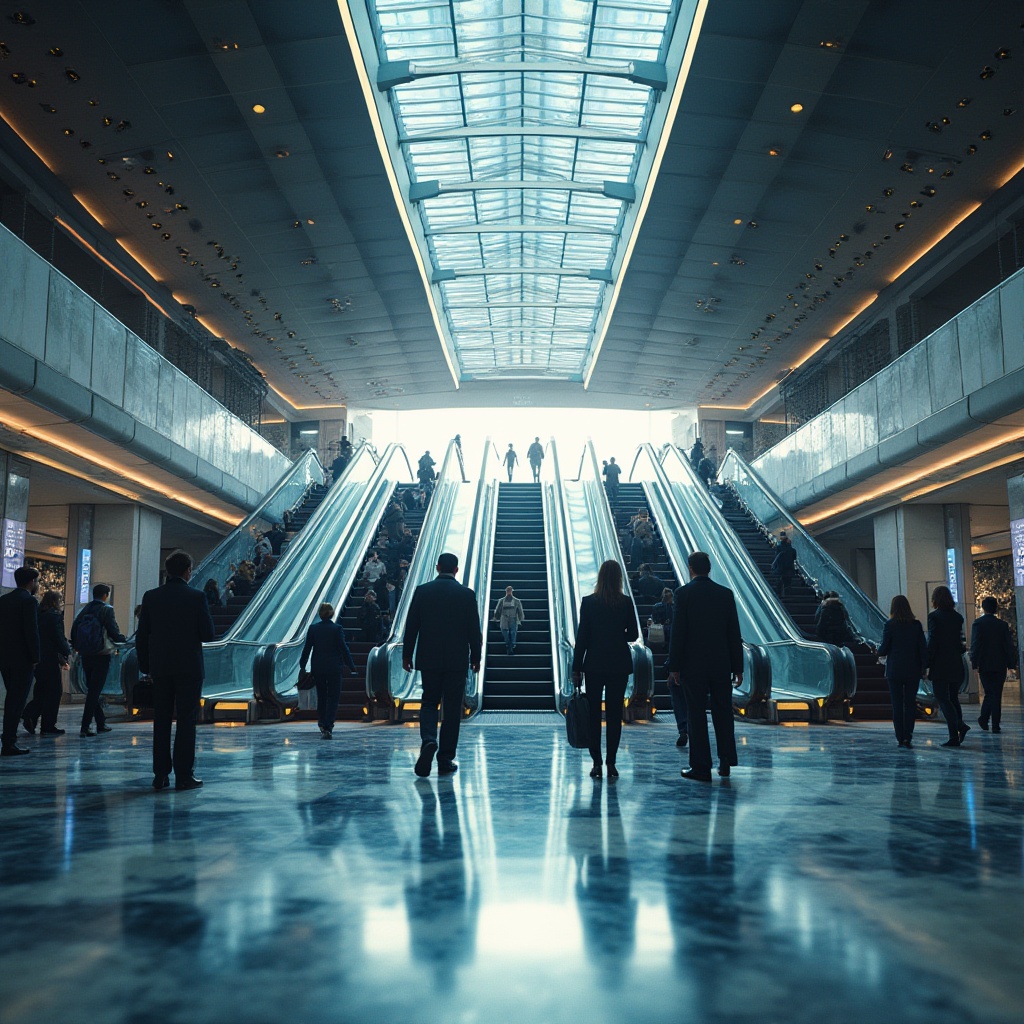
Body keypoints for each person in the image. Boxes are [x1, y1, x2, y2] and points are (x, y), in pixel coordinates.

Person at [136, 550, 215, 791]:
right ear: (188, 570)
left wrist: (145, 666)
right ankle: (184, 775)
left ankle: (160, 775)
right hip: (189, 668)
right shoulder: (196, 597)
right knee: (186, 721)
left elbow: (142, 636)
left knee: (161, 720)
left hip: (160, 668)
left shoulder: (151, 597)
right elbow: (208, 634)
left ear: (168, 570)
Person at [403, 552, 482, 778]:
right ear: (456, 570)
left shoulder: (422, 591)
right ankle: (445, 758)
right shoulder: (466, 595)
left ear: (437, 567)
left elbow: (412, 626)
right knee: (452, 709)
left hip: (429, 659)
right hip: (457, 661)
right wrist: (475, 657)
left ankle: (429, 740)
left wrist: (407, 655)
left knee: (429, 702)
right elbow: (473, 631)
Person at [668, 551, 743, 782]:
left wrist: (675, 666)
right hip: (721, 664)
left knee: (696, 714)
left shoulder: (683, 594)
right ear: (709, 568)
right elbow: (734, 633)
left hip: (694, 665)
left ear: (691, 568)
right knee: (723, 712)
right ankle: (726, 762)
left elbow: (678, 633)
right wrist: (738, 667)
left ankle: (701, 767)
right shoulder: (725, 594)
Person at [572, 560, 640, 780]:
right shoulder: (625, 602)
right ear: (619, 578)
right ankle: (611, 763)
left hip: (594, 664)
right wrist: (616, 634)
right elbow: (633, 635)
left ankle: (596, 763)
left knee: (593, 715)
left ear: (600, 577)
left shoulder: (589, 602)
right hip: (618, 664)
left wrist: (576, 668)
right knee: (614, 714)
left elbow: (581, 638)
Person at [71, 583, 126, 737]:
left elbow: (74, 629)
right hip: (101, 654)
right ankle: (85, 726)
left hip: (86, 654)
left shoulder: (84, 609)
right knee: (94, 692)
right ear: (105, 595)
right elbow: (113, 631)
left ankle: (100, 723)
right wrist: (122, 639)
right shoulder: (106, 609)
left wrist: (78, 647)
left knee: (91, 689)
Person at [299, 603, 357, 739]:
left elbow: (307, 649)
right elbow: (344, 649)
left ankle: (321, 721)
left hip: (318, 668)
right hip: (334, 668)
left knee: (322, 696)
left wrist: (302, 665)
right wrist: (351, 666)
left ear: (320, 614)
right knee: (333, 697)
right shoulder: (337, 629)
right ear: (332, 614)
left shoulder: (313, 629)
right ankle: (328, 725)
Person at [0, 565, 41, 756]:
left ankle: (8, 739)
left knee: (12, 698)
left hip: (5, 657)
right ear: (32, 582)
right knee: (16, 701)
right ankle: (9, 741)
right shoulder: (29, 602)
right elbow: (31, 632)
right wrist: (35, 657)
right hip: (23, 659)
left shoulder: (4, 600)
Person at [877, 595, 926, 748]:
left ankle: (900, 736)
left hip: (895, 669)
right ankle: (908, 736)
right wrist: (924, 667)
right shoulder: (916, 625)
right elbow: (922, 648)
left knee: (897, 704)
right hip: (913, 669)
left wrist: (877, 650)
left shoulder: (890, 625)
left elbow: (884, 649)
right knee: (910, 703)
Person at [22, 589, 71, 737]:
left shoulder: (38, 615)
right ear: (56, 602)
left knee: (42, 689)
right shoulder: (54, 616)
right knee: (54, 692)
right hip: (50, 658)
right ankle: (48, 725)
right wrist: (66, 651)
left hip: (37, 658)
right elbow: (58, 638)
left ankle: (30, 715)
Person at [926, 584, 968, 748]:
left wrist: (927, 662)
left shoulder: (934, 617)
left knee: (942, 697)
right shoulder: (957, 617)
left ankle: (958, 728)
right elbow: (960, 643)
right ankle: (956, 733)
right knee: (953, 698)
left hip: (940, 664)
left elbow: (933, 641)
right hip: (956, 663)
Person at [970, 596, 1016, 733]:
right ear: (995, 608)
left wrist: (974, 662)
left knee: (989, 693)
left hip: (984, 664)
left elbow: (976, 644)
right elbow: (1008, 645)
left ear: (983, 608)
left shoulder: (978, 624)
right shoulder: (1002, 625)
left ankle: (984, 718)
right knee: (997, 694)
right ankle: (995, 724)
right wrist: (1011, 663)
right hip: (1000, 664)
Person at [651, 588, 686, 747]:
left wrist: (672, 668)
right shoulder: (682, 612)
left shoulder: (658, 606)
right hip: (693, 660)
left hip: (672, 652)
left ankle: (684, 728)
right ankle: (691, 728)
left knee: (677, 694)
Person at [493, 585, 525, 655]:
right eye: (508, 591)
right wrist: (495, 617)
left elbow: (520, 610)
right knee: (504, 630)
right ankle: (508, 643)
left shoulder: (517, 601)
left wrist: (521, 618)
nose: (509, 593)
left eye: (510, 591)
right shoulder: (501, 601)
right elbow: (497, 610)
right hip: (504, 617)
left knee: (513, 632)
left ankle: (512, 644)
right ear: (506, 592)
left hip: (513, 618)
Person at [771, 533, 797, 597]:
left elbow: (777, 556)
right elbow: (794, 558)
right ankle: (788, 595)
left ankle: (778, 593)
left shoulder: (778, 548)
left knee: (779, 581)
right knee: (787, 582)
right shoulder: (793, 550)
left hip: (780, 568)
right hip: (789, 569)